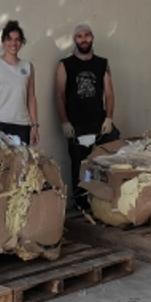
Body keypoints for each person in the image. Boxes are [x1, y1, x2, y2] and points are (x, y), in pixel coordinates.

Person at [55, 23, 117, 209]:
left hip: (99, 123)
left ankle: (102, 205)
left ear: (92, 37)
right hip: (76, 125)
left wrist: (109, 118)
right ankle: (81, 206)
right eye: (80, 36)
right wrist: (64, 121)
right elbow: (59, 94)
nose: (84, 39)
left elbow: (109, 93)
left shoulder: (102, 63)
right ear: (75, 39)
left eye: (87, 35)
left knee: (104, 164)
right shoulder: (64, 64)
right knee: (79, 167)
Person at [0, 20, 39, 145]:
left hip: (22, 126)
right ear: (3, 41)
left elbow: (31, 98)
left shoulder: (28, 66)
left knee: (21, 164)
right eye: (9, 39)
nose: (13, 43)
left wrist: (34, 126)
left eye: (17, 39)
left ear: (22, 42)